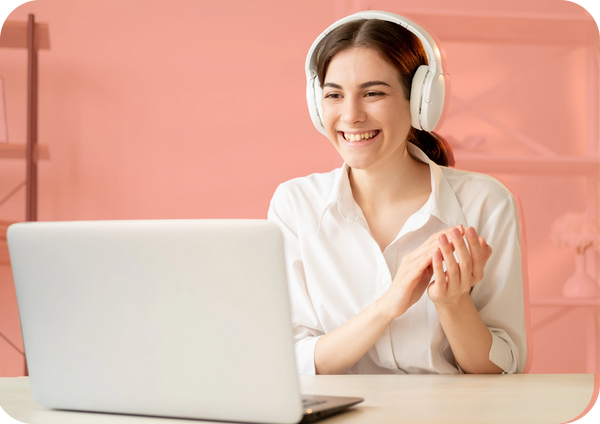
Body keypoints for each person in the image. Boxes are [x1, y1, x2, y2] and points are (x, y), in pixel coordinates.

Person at [267, 11, 526, 375]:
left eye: (373, 93)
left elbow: (505, 367)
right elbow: (291, 360)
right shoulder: (295, 205)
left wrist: (453, 305)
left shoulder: (485, 203)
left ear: (421, 100)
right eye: (334, 95)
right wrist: (388, 304)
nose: (351, 115)